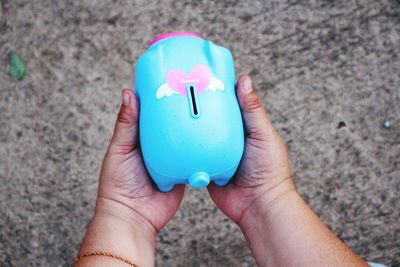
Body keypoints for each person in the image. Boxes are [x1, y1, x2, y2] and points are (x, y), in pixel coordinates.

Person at [74, 76, 369, 266]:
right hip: (226, 156)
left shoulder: (153, 67)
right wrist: (267, 195)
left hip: (165, 162)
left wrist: (124, 214)